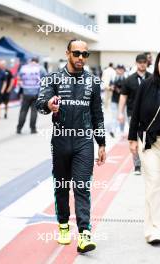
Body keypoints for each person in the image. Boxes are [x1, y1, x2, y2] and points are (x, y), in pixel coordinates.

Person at [36, 39, 106, 253]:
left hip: (84, 142)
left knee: (82, 187)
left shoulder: (93, 81)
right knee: (62, 186)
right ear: (67, 53)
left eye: (85, 54)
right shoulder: (53, 78)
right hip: (61, 140)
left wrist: (101, 143)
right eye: (77, 53)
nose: (81, 58)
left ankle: (85, 235)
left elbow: (97, 114)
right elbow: (40, 105)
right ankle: (63, 225)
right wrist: (49, 105)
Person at [128, 52, 160, 245]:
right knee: (154, 183)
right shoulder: (147, 85)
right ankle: (153, 230)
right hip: (149, 143)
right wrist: (132, 138)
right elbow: (136, 112)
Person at [118, 54, 152, 175]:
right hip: (132, 114)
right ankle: (137, 165)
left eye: (144, 62)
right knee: (134, 139)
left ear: (147, 63)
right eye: (140, 62)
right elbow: (123, 97)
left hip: (149, 115)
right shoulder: (129, 80)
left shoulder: (153, 78)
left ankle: (148, 163)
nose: (142, 64)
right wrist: (120, 113)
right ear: (136, 63)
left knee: (148, 138)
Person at [16, 57, 44, 134]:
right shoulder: (40, 68)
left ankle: (19, 128)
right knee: (34, 111)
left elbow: (18, 78)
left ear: (30, 61)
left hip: (25, 93)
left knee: (23, 111)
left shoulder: (23, 68)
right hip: (36, 93)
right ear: (37, 62)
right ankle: (33, 129)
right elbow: (46, 79)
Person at [109, 64, 125, 138]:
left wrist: (120, 90)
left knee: (122, 116)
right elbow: (110, 86)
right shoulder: (113, 78)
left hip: (123, 101)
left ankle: (122, 131)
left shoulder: (125, 79)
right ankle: (113, 130)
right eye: (118, 69)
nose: (120, 70)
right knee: (114, 116)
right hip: (114, 100)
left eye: (121, 69)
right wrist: (111, 88)